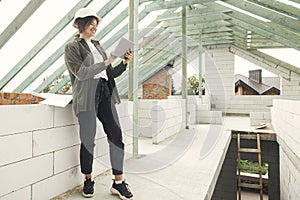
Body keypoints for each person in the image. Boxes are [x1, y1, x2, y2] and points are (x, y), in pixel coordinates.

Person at [64, 8, 133, 200]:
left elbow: (108, 74)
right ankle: (88, 179)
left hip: (104, 92)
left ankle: (118, 182)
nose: (94, 27)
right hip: (86, 95)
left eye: (96, 24)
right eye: (91, 24)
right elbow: (82, 73)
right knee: (88, 140)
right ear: (80, 24)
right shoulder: (72, 47)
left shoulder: (98, 45)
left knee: (116, 135)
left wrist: (123, 63)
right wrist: (106, 61)